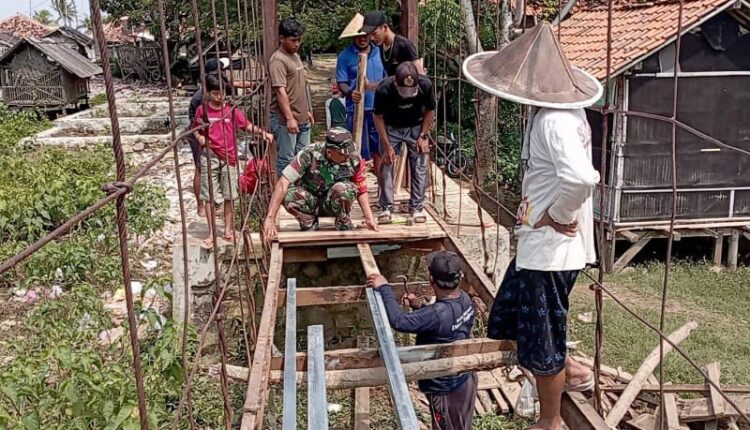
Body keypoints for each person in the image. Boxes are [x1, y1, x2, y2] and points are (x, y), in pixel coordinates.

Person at [462, 23, 603, 430]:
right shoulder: (562, 114)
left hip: (550, 249)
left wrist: (558, 215)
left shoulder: (553, 123)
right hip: (539, 246)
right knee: (507, 317)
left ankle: (550, 420)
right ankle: (573, 370)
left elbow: (582, 178)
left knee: (544, 339)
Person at [366, 250, 477, 430]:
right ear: (460, 276)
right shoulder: (465, 300)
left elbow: (399, 321)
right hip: (465, 379)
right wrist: (420, 306)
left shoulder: (436, 314)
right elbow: (445, 321)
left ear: (431, 279)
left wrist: (385, 288)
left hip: (444, 388)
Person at [192, 74, 273, 249]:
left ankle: (228, 230)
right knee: (209, 196)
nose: (220, 97)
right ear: (209, 93)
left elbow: (247, 125)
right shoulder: (202, 111)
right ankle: (212, 233)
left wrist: (263, 133)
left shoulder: (231, 110)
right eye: (215, 93)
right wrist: (200, 138)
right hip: (210, 157)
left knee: (230, 195)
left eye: (222, 93)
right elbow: (195, 129)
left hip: (229, 157)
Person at [262, 127, 378, 240]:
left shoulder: (353, 158)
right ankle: (308, 221)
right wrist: (270, 219)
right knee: (288, 195)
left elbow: (361, 188)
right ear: (329, 152)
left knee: (345, 189)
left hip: (334, 202)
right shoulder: (308, 153)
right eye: (343, 154)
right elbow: (283, 183)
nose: (347, 157)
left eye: (349, 153)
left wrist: (369, 218)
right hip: (310, 201)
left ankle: (342, 219)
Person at [187, 57, 258, 217]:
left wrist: (251, 85)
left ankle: (216, 201)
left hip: (219, 136)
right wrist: (200, 137)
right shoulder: (201, 98)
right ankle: (201, 205)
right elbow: (195, 125)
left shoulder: (217, 89)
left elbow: (234, 85)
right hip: (201, 132)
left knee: (222, 172)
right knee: (200, 168)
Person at [373, 61, 436, 224]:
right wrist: (387, 146)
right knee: (387, 164)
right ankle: (386, 206)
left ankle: (416, 208)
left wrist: (423, 135)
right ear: (395, 82)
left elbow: (430, 110)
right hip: (391, 127)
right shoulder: (383, 89)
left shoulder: (425, 85)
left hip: (416, 127)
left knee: (420, 164)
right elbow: (378, 117)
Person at [336, 12, 387, 172]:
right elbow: (341, 82)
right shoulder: (345, 56)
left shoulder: (381, 53)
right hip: (356, 110)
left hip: (378, 109)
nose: (362, 38)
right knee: (358, 151)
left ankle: (382, 184)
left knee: (380, 149)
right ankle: (359, 185)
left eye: (365, 35)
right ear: (353, 37)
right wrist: (351, 93)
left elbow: (388, 79)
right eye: (358, 36)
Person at [269, 17, 315, 175]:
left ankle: (301, 192)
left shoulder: (295, 56)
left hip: (301, 116)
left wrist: (306, 110)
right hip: (285, 119)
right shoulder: (278, 60)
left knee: (304, 157)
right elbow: (280, 90)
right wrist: (289, 118)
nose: (297, 44)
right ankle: (285, 195)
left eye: (299, 40)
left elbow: (301, 85)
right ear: (281, 39)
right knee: (287, 159)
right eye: (293, 40)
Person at [359, 10, 420, 76]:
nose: (372, 38)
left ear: (385, 27)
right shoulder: (380, 46)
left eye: (374, 33)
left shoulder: (404, 44)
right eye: (369, 34)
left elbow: (420, 74)